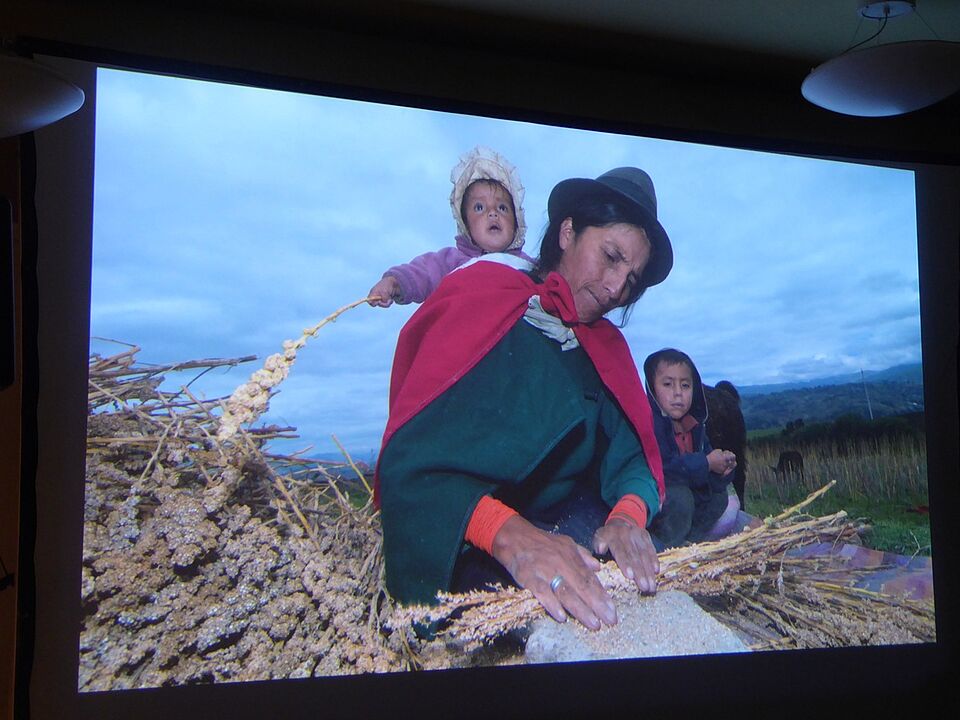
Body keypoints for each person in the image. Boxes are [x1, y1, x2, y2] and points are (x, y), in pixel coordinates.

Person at [376, 166, 674, 632]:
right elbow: (412, 468)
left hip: (567, 523)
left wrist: (626, 518)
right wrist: (511, 538)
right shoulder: (482, 297)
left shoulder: (605, 350)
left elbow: (633, 456)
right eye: (611, 256)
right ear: (568, 232)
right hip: (470, 536)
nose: (616, 289)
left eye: (632, 279)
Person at [368, 146, 535, 307]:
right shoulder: (451, 262)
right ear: (466, 225)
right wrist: (394, 282)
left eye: (502, 208)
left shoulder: (528, 267)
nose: (492, 213)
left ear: (516, 224)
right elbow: (423, 273)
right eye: (479, 207)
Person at [643, 348, 741, 549]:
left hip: (687, 497)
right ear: (652, 389)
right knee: (681, 498)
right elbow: (665, 469)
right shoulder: (651, 426)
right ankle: (665, 547)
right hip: (659, 500)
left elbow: (706, 469)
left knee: (719, 497)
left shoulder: (695, 426)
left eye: (685, 385)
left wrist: (722, 470)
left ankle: (691, 542)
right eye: (668, 384)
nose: (678, 392)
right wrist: (706, 463)